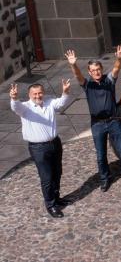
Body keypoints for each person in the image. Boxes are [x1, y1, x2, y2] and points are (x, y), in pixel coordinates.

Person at [65, 46, 121, 191]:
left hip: (113, 121)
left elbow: (116, 69)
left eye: (98, 69)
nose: (96, 72)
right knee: (100, 155)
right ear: (90, 72)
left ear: (101, 69)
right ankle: (105, 178)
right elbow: (78, 76)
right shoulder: (87, 85)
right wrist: (73, 64)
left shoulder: (109, 81)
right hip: (97, 124)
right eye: (93, 70)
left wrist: (119, 58)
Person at [9, 80, 73, 218]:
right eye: (35, 94)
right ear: (29, 95)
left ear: (43, 93)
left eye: (40, 93)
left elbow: (62, 102)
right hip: (38, 148)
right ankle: (50, 205)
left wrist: (65, 91)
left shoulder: (49, 103)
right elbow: (15, 107)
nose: (38, 96)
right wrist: (14, 98)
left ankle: (56, 198)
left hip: (55, 143)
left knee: (57, 172)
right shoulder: (25, 107)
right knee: (47, 177)